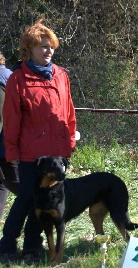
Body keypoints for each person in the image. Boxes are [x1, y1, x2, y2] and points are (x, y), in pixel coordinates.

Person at [0, 19, 76, 263]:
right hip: (31, 156)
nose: (49, 50)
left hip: (56, 156)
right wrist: (12, 152)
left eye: (51, 46)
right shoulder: (18, 79)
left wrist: (69, 146)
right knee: (24, 201)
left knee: (43, 204)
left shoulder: (61, 75)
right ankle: (7, 245)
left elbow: (69, 112)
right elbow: (11, 121)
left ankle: (33, 247)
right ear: (29, 49)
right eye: (42, 46)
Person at [0, 51, 19, 221]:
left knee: (21, 187)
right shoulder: (10, 76)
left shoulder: (5, 78)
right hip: (8, 144)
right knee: (3, 184)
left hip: (5, 145)